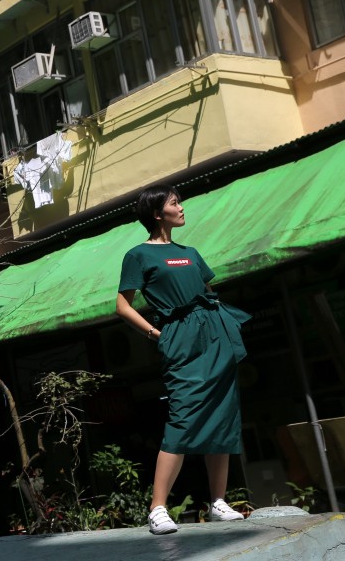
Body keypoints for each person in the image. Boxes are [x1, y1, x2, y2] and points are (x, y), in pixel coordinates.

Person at [115, 185, 251, 535]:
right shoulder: (138, 255)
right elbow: (123, 305)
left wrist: (219, 325)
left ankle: (218, 502)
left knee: (222, 412)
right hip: (178, 337)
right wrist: (155, 334)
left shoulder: (189, 251)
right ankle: (157, 508)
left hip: (214, 333)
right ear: (157, 214)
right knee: (183, 415)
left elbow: (207, 292)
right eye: (175, 203)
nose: (181, 206)